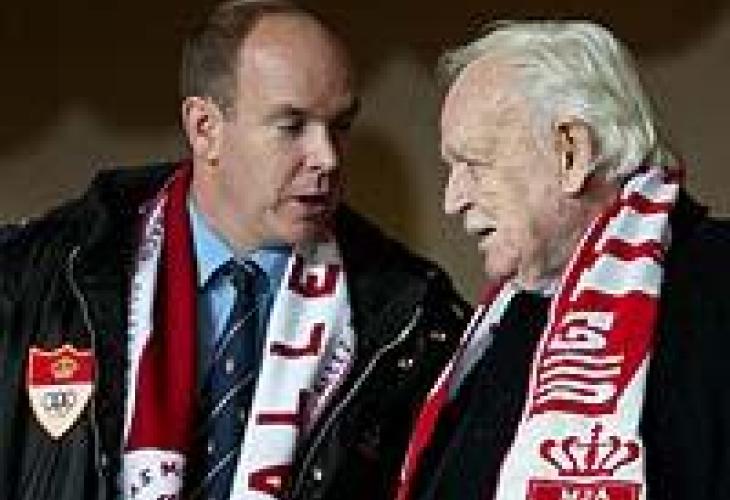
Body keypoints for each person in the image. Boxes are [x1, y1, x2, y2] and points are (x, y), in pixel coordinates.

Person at [0, 2, 469, 499]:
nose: (328, 157)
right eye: (292, 126)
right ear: (205, 128)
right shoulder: (41, 276)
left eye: (340, 126)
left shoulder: (414, 321)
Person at [396, 20, 730, 500]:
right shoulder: (505, 321)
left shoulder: (715, 287)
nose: (453, 200)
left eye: (473, 164)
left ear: (571, 151)